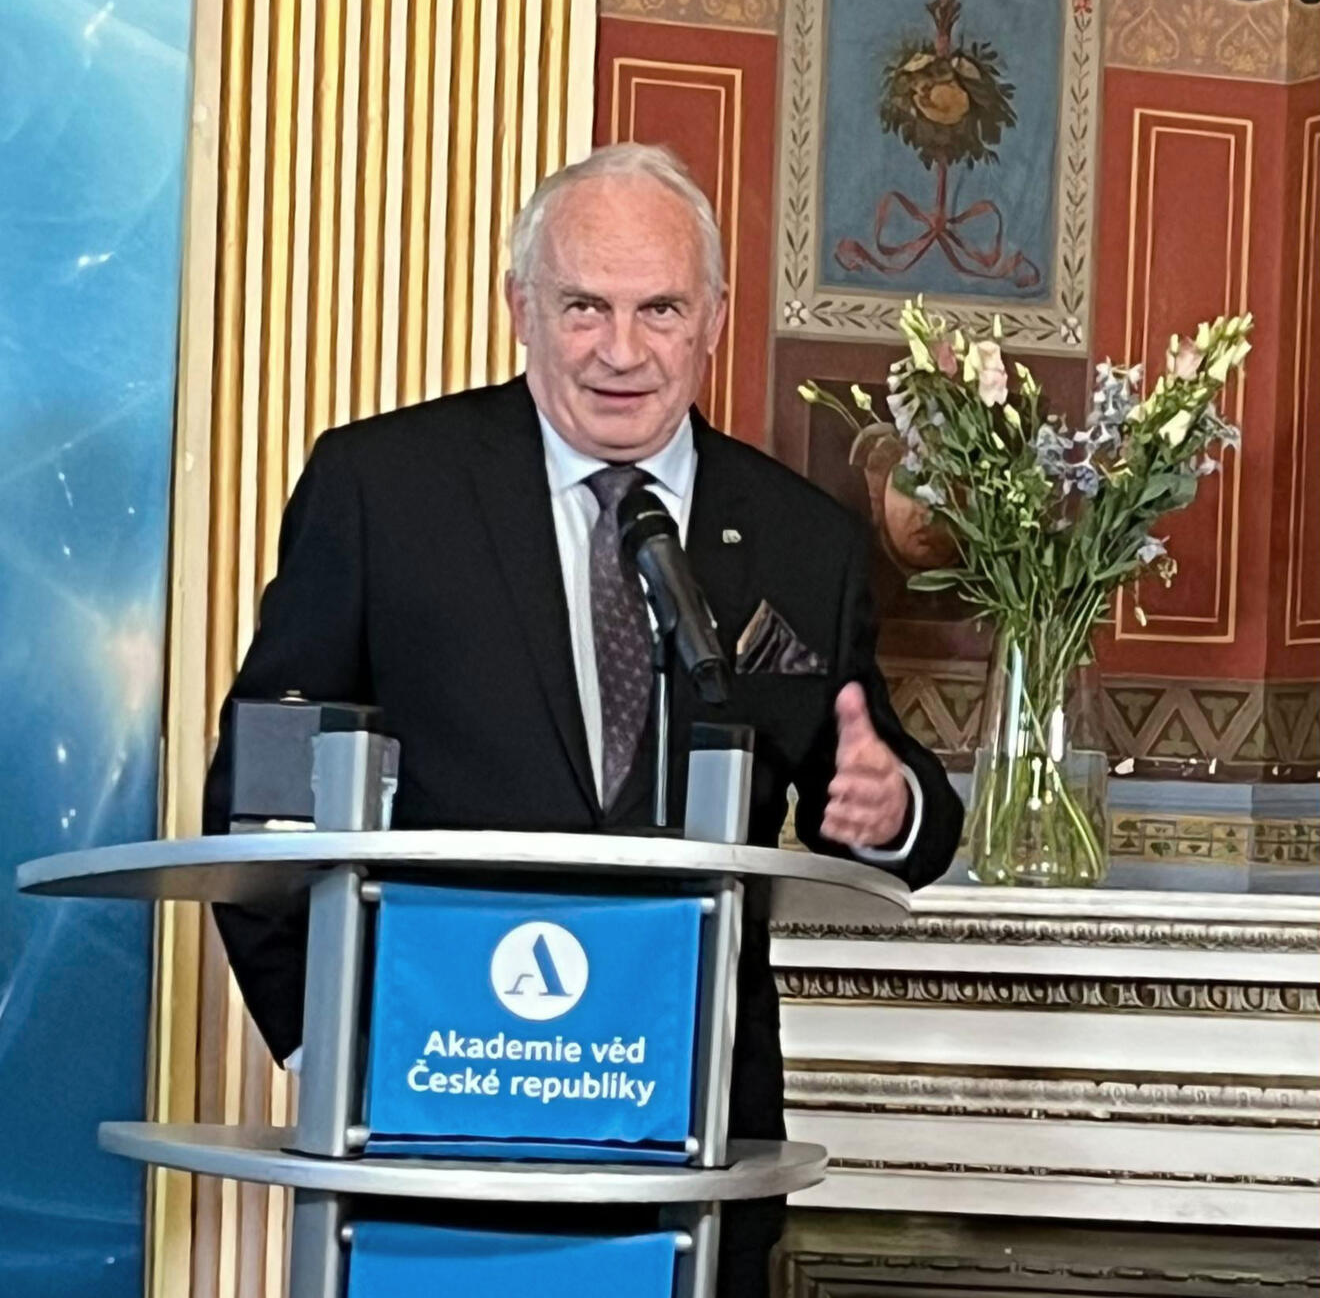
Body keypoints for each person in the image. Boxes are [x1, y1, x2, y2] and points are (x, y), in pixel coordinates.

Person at [204, 143, 962, 1295]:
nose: (622, 349)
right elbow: (263, 790)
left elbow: (875, 771)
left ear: (714, 317)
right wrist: (330, 1044)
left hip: (693, 1135)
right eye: (584, 307)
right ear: (522, 308)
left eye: (660, 308)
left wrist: (890, 801)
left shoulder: (803, 538)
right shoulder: (383, 487)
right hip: (434, 1107)